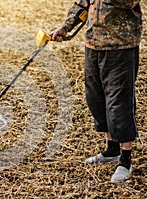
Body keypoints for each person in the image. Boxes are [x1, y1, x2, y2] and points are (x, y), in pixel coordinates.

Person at [51, 0, 142, 183]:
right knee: (96, 98)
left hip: (120, 46)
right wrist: (65, 27)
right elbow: (83, 3)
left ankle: (125, 161)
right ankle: (112, 150)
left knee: (119, 103)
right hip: (93, 44)